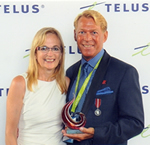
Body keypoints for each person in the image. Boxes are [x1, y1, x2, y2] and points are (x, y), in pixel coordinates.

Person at [62, 10, 144, 145]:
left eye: (94, 32)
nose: (87, 38)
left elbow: (134, 123)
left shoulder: (124, 72)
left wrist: (96, 133)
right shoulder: (71, 72)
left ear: (105, 36)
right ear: (75, 35)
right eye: (82, 32)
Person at [5, 27, 69, 145]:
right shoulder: (20, 83)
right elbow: (10, 133)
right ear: (35, 53)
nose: (50, 54)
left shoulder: (65, 83)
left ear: (61, 54)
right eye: (44, 48)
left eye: (55, 48)